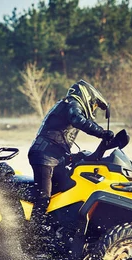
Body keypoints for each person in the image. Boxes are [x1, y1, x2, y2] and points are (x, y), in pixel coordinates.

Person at [28, 79, 113, 235]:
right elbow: (78, 120)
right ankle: (32, 235)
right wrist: (101, 132)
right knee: (43, 198)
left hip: (54, 157)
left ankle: (59, 230)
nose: (93, 110)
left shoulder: (67, 106)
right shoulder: (72, 104)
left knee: (68, 189)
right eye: (94, 105)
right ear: (86, 96)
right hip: (44, 156)